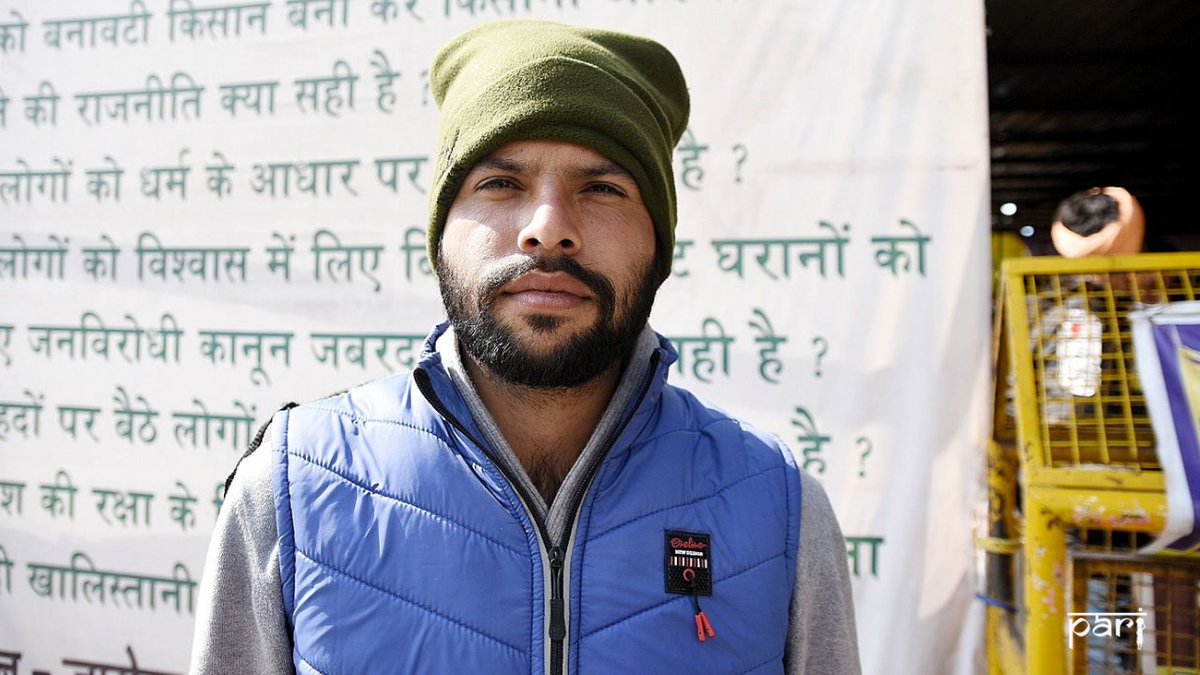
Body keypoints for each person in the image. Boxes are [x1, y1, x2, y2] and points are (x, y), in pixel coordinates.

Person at [189, 20, 860, 674]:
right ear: (442, 231)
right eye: (501, 183)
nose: (548, 229)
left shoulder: (778, 508)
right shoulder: (291, 489)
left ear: (658, 244)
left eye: (601, 188)